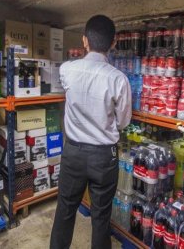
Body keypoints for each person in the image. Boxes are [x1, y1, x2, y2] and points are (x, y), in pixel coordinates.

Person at [50, 15, 132, 249]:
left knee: (65, 210)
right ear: (113, 43)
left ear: (84, 41)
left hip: (73, 152)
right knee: (101, 218)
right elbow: (124, 122)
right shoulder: (119, 79)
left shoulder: (67, 70)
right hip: (104, 157)